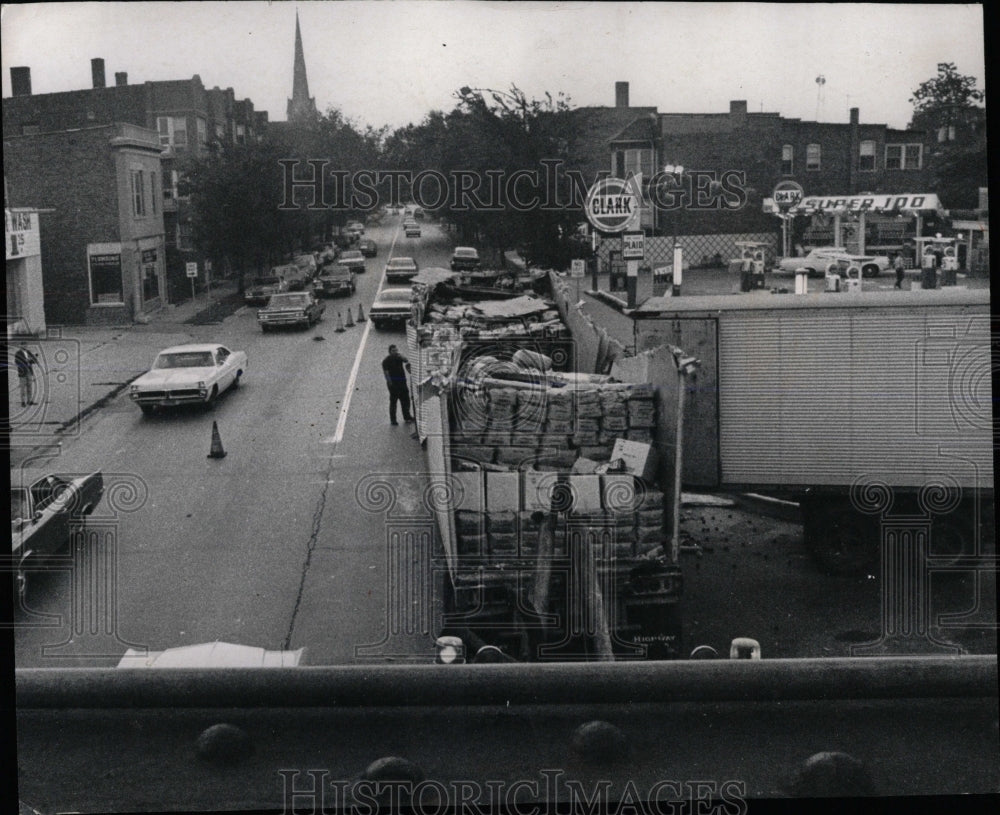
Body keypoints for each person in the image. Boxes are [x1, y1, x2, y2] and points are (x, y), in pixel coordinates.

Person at [381, 344, 413, 425]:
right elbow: (386, 373)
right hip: (394, 384)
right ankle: (393, 420)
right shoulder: (386, 361)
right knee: (393, 402)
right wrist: (390, 383)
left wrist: (401, 355)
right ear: (389, 352)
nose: (395, 352)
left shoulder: (399, 358)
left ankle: (407, 416)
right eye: (393, 351)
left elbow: (406, 360)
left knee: (405, 400)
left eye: (396, 350)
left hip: (402, 382)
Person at [14, 339, 40, 407]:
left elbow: (34, 361)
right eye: (23, 345)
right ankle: (23, 402)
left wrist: (34, 358)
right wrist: (26, 360)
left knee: (30, 387)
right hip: (22, 373)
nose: (25, 346)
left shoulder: (28, 352)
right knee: (22, 388)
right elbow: (17, 362)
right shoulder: (18, 353)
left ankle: (29, 401)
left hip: (29, 371)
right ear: (20, 346)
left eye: (26, 345)